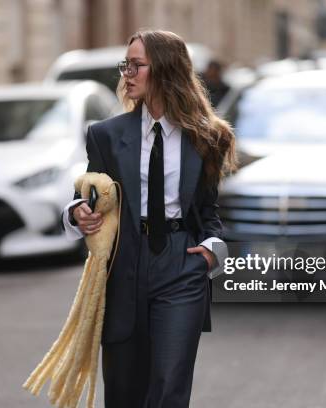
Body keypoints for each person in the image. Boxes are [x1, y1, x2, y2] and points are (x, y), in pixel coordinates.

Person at [60, 30, 237, 408]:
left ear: (166, 69)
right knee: (124, 391)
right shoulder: (106, 135)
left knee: (169, 387)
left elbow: (208, 212)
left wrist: (210, 252)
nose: (127, 73)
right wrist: (78, 213)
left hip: (181, 263)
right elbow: (89, 195)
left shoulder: (208, 137)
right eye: (126, 64)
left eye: (137, 65)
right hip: (123, 263)